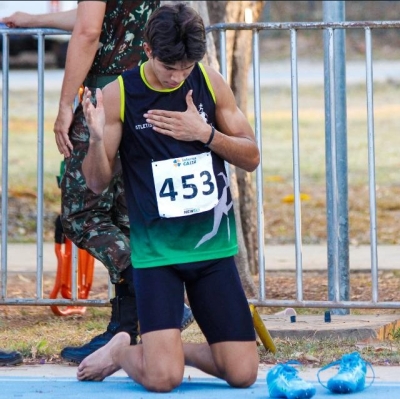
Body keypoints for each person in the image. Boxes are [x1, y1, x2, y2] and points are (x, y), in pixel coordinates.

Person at [78, 3, 260, 392]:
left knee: (243, 374)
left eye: (186, 68)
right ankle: (123, 350)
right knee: (162, 380)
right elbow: (96, 183)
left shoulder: (209, 83)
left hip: (211, 250)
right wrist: (95, 140)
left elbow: (252, 156)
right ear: (147, 50)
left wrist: (205, 133)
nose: (177, 77)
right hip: (157, 254)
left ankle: (174, 351)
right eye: (168, 68)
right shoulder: (120, 93)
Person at [2, 0, 193, 365]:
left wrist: (63, 106)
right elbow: (98, 20)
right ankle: (125, 330)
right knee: (124, 218)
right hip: (145, 96)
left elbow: (89, 31)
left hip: (108, 99)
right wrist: (33, 20)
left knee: (82, 215)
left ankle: (162, 296)